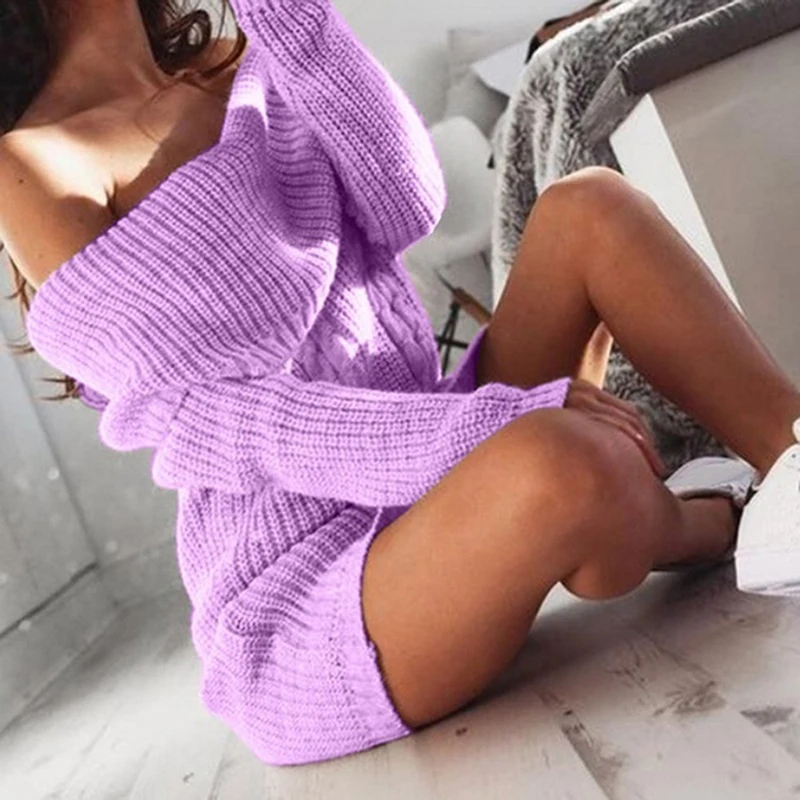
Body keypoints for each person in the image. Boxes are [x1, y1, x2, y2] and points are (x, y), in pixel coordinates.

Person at [1, 0, 798, 768]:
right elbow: (217, 418)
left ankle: (789, 462)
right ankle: (712, 521)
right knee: (569, 462)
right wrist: (493, 427)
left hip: (432, 459)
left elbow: (405, 209)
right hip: (309, 598)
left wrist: (290, 18)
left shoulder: (229, 65)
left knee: (589, 209)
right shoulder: (30, 163)